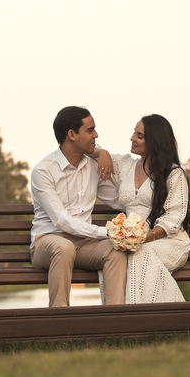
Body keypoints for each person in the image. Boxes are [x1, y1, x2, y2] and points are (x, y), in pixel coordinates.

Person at [30, 106, 127, 307]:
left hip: (83, 244)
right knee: (63, 247)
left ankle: (115, 321)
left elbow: (119, 201)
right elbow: (61, 221)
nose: (96, 135)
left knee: (116, 250)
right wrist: (108, 232)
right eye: (90, 130)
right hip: (47, 242)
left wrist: (104, 153)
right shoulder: (43, 171)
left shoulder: (93, 166)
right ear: (72, 135)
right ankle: (60, 323)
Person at [101, 114, 190, 304]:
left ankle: (142, 318)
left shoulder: (174, 174)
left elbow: (174, 219)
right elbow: (92, 152)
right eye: (134, 133)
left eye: (139, 135)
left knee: (137, 256)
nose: (132, 138)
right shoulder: (125, 166)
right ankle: (118, 317)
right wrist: (102, 153)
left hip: (168, 241)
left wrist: (144, 238)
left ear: (155, 141)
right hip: (135, 242)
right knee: (116, 257)